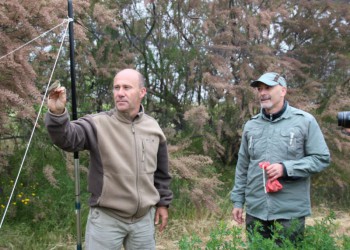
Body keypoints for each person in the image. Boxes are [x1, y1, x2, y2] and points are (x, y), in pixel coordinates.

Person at [45, 68, 173, 250]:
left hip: (143, 221)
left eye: (127, 88)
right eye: (116, 88)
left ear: (142, 92)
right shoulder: (97, 124)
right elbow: (67, 138)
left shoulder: (153, 127)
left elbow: (161, 172)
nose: (120, 93)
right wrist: (57, 114)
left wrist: (163, 203)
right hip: (106, 220)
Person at [230, 72, 330, 246]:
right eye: (259, 89)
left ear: (283, 91)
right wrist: (238, 201)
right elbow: (243, 166)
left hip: (289, 213)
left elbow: (321, 158)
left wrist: (286, 168)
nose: (262, 93)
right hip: (256, 211)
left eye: (268, 87)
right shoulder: (251, 125)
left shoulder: (304, 121)